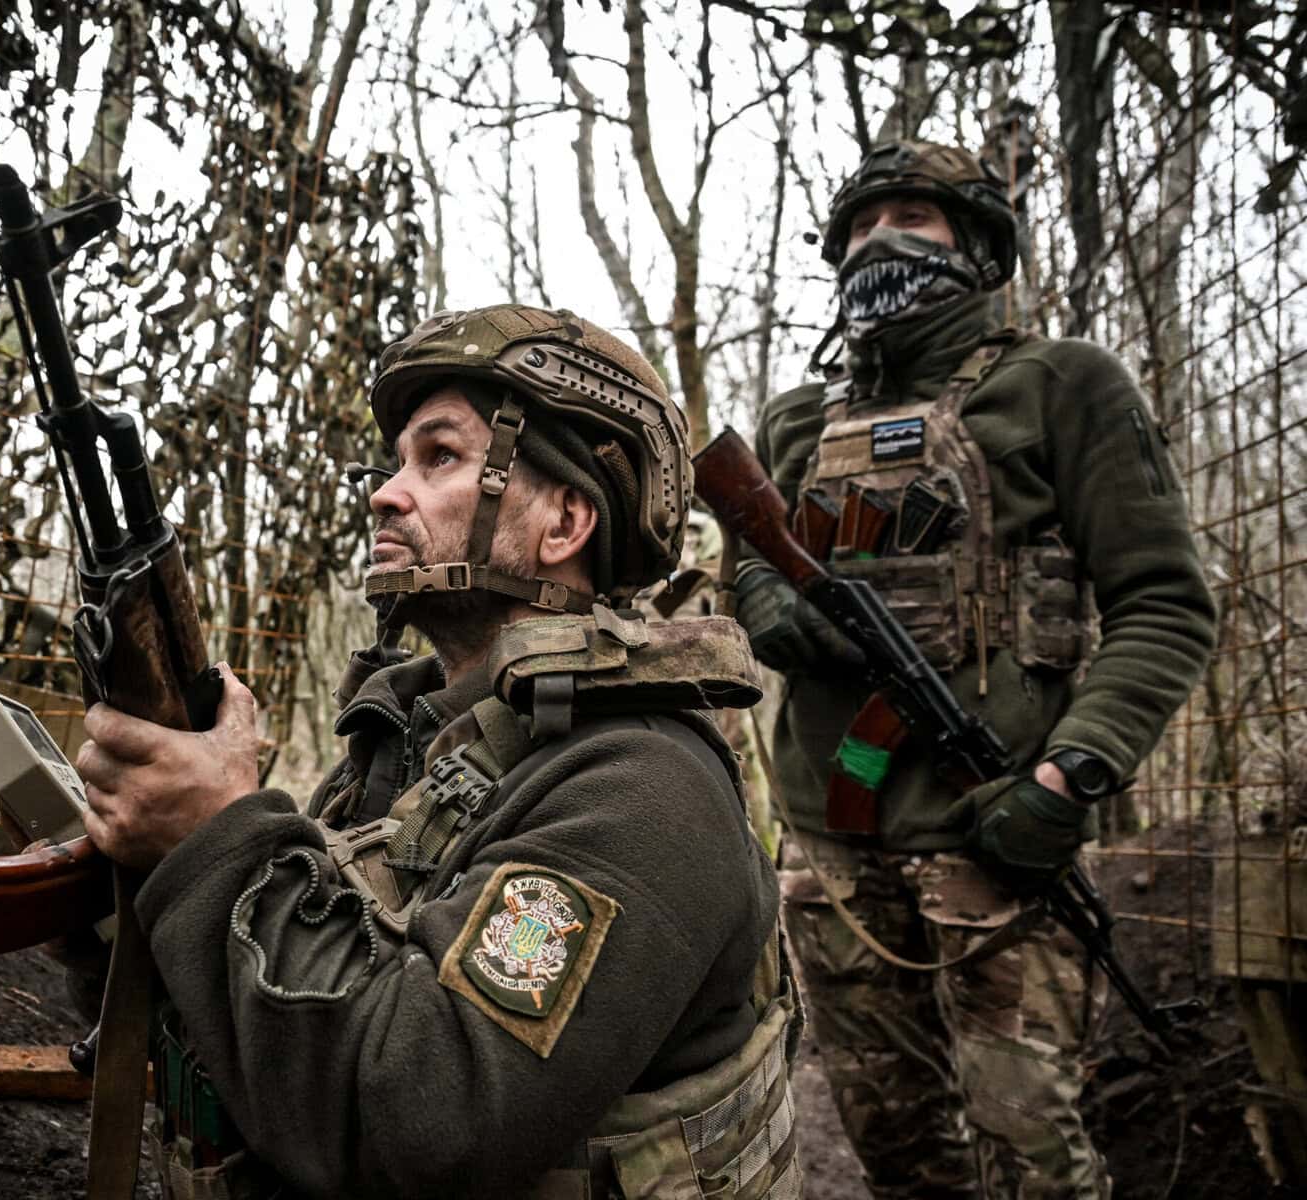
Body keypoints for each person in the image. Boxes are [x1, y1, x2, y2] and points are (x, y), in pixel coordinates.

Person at [74, 304, 802, 1199]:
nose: (385, 491)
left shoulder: (644, 787)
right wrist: (128, 878)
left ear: (565, 522)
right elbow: (267, 1029)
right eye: (395, 462)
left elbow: (421, 1123)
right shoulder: (414, 742)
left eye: (440, 457)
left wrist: (217, 837)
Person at [731, 140, 1217, 1198]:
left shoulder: (1060, 385)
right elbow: (744, 561)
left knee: (1032, 1157)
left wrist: (1069, 777)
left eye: (915, 216)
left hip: (996, 836)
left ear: (981, 245)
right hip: (833, 850)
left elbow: (1167, 606)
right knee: (895, 1151)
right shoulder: (797, 421)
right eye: (859, 225)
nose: (880, 241)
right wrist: (759, 595)